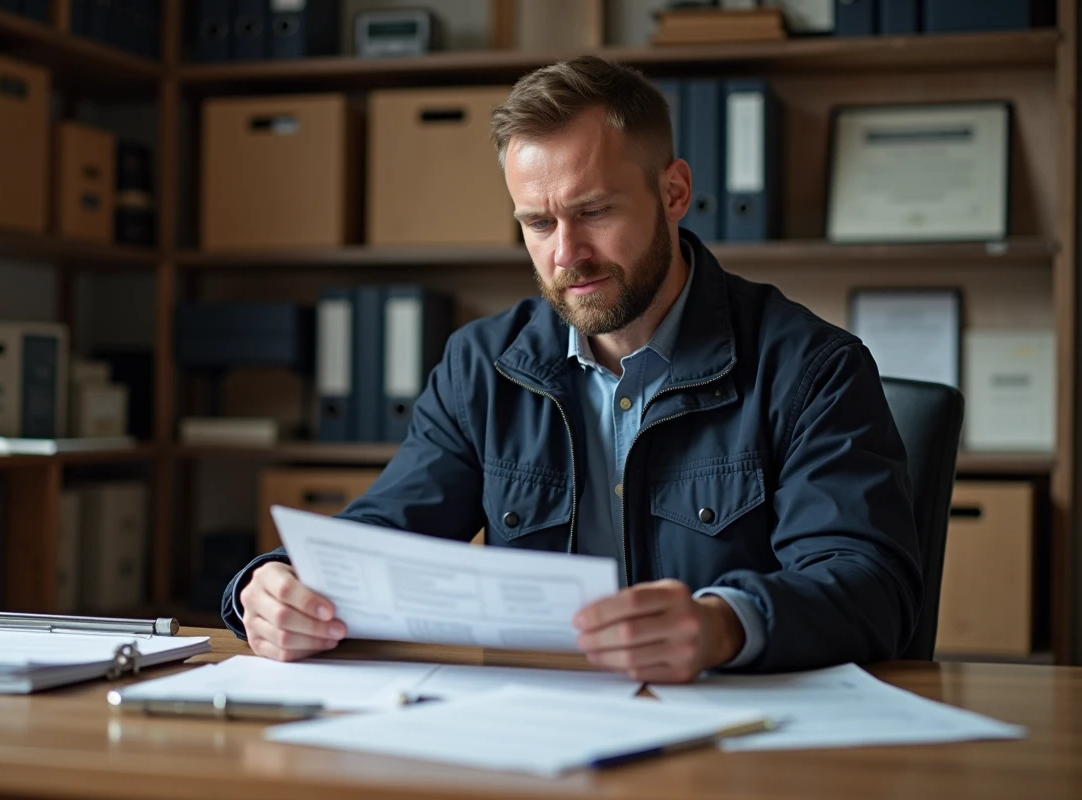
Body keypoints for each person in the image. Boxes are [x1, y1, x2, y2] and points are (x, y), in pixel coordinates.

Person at [223, 56, 922, 683]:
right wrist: (276, 585)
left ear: (674, 193)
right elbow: (384, 538)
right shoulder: (482, 366)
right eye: (538, 223)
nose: (567, 254)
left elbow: (870, 585)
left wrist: (723, 625)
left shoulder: (810, 367)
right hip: (536, 725)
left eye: (593, 212)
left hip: (735, 736)